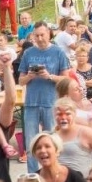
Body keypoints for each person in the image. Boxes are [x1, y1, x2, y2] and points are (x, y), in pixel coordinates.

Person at [16, 23, 70, 172]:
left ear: (49, 34)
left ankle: (52, 171)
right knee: (31, 142)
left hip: (51, 102)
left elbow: (66, 79)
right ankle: (33, 174)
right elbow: (20, 81)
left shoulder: (58, 52)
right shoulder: (28, 53)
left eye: (42, 35)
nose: (39, 38)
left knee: (52, 141)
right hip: (31, 102)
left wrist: (49, 76)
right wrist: (29, 76)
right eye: (36, 35)